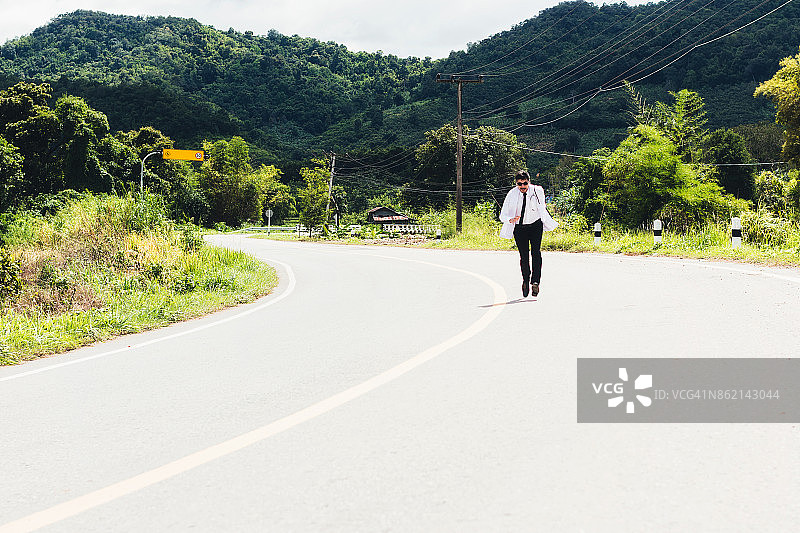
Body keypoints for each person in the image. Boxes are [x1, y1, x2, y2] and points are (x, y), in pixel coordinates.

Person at [499, 170, 558, 297]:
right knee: (524, 256)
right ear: (516, 184)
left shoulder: (537, 191)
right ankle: (525, 280)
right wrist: (510, 219)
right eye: (519, 184)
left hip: (535, 225)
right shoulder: (512, 194)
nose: (522, 186)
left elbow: (542, 207)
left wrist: (547, 221)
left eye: (525, 183)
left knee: (536, 253)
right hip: (520, 228)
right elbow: (503, 214)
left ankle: (535, 282)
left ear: (529, 182)